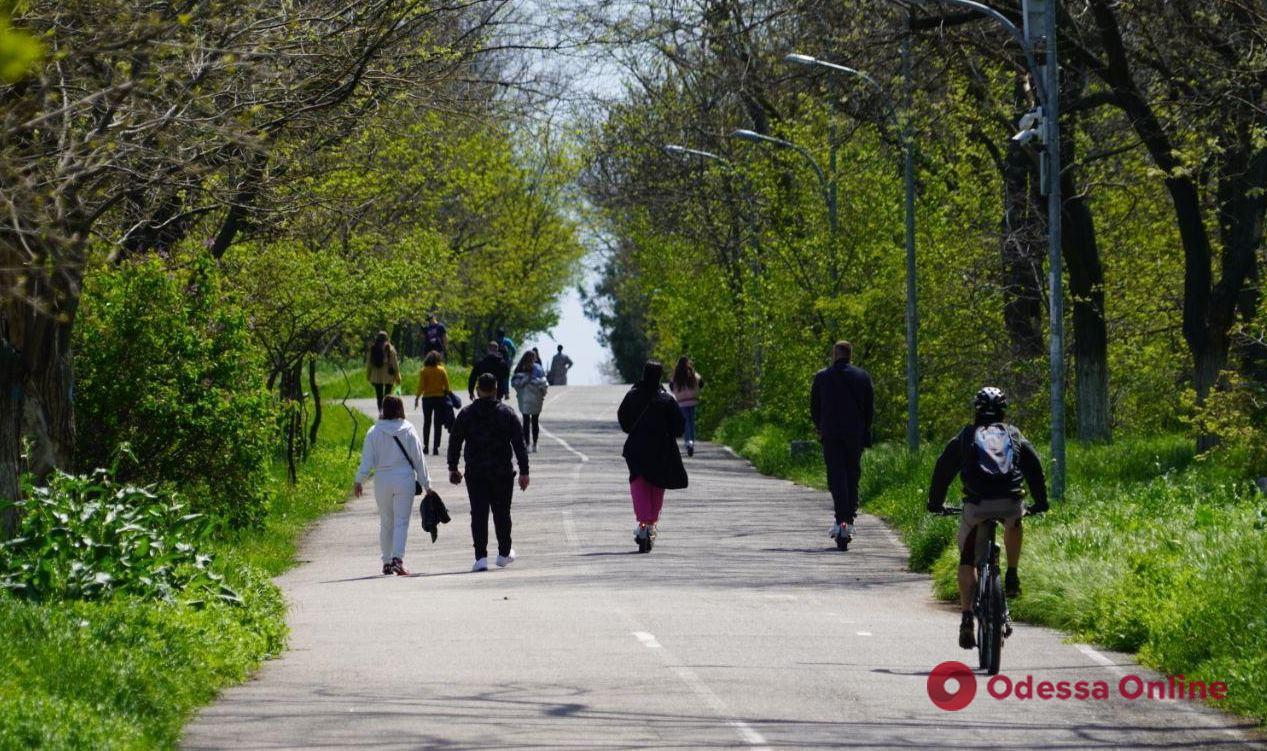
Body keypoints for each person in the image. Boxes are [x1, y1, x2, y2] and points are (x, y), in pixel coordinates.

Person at [927, 387, 1049, 650]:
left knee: (967, 558)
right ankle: (1013, 574)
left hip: (977, 505)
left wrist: (935, 504)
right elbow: (1035, 467)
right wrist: (1041, 502)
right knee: (1015, 520)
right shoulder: (1014, 434)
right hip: (1010, 502)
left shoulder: (966, 436)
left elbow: (942, 470)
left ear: (976, 410)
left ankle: (967, 616)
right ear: (1003, 411)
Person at [449, 373, 530, 572]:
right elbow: (519, 444)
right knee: (502, 512)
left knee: (478, 513)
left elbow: (455, 441)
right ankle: (504, 553)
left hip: (475, 472)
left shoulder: (466, 414)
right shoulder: (507, 413)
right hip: (501, 471)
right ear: (495, 389)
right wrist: (524, 471)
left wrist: (453, 467)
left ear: (477, 390)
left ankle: (480, 557)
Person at [354, 395, 431, 576]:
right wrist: (427, 484)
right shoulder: (408, 429)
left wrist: (359, 480)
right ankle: (398, 559)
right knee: (401, 521)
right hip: (404, 478)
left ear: (383, 409)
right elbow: (419, 459)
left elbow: (367, 461)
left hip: (382, 479)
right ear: (400, 409)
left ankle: (387, 562)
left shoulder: (374, 431)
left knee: (386, 521)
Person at [809, 341, 874, 547]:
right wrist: (865, 430)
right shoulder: (862, 377)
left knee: (836, 475)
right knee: (852, 475)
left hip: (831, 433)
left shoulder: (822, 377)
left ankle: (840, 519)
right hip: (854, 434)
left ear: (835, 355)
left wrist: (819, 425)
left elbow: (814, 406)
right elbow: (869, 408)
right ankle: (850, 519)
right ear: (850, 355)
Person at [618, 360, 687, 552]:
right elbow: (679, 425)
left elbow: (623, 419)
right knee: (657, 484)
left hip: (637, 449)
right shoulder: (666, 399)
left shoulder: (632, 395)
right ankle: (650, 523)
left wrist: (634, 429)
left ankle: (643, 524)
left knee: (638, 483)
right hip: (661, 449)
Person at [414, 350, 451, 455]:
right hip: (439, 398)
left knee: (427, 422)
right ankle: (435, 447)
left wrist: (417, 397)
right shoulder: (442, 370)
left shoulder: (424, 371)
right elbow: (447, 387)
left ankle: (426, 446)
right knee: (437, 424)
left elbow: (421, 386)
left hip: (427, 399)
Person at [511, 351, 549, 452]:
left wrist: (520, 391)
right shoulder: (538, 368)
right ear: (534, 358)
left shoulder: (519, 368)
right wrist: (543, 393)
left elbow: (514, 382)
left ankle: (527, 444)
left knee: (526, 420)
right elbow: (544, 383)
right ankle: (534, 444)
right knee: (535, 421)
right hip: (536, 398)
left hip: (524, 398)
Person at [669, 356, 704, 457]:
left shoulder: (676, 375)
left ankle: (687, 442)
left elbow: (672, 387)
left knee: (685, 423)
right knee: (692, 421)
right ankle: (692, 442)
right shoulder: (692, 373)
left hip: (682, 402)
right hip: (692, 401)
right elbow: (701, 383)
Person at [366, 331, 402, 416]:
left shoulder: (373, 349)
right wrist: (398, 377)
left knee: (379, 396)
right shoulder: (390, 349)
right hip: (388, 376)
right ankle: (387, 413)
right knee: (387, 396)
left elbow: (369, 364)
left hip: (376, 376)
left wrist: (368, 376)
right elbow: (395, 365)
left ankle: (381, 412)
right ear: (387, 338)